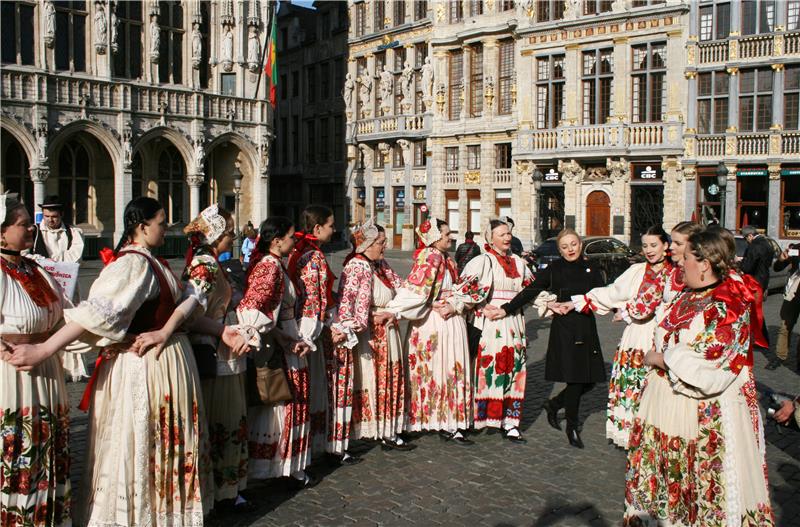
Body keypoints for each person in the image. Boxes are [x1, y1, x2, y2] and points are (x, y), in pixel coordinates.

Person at [6, 197, 244, 525]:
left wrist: (222, 331)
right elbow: (95, 314)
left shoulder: (154, 261)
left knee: (163, 442)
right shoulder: (132, 264)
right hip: (145, 367)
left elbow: (181, 315)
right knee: (143, 443)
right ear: (142, 226)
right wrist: (45, 350)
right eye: (161, 222)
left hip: (166, 364)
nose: (166, 228)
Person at [624, 230, 775, 526]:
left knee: (701, 493)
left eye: (687, 257)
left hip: (699, 414)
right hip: (663, 412)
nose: (679, 263)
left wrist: (661, 358)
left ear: (704, 263)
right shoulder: (687, 295)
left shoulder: (727, 306)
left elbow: (710, 369)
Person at [485, 228, 605, 449]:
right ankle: (572, 426)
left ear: (580, 243)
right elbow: (531, 291)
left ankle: (554, 404)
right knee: (576, 379)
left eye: (573, 244)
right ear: (559, 250)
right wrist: (506, 309)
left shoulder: (593, 267)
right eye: (564, 247)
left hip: (587, 327)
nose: (570, 250)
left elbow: (603, 294)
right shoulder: (555, 268)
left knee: (591, 379)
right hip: (566, 329)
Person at [0, 195, 78, 527]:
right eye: (22, 224)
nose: (31, 228)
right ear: (1, 232)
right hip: (12, 374)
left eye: (30, 222)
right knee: (16, 447)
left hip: (45, 370)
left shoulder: (35, 268)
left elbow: (67, 312)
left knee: (45, 447)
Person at [564, 226, 672, 449]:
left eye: (654, 245)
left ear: (666, 246)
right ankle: (631, 431)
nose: (649, 250)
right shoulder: (638, 271)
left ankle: (653, 434)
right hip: (637, 334)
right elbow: (612, 291)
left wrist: (627, 310)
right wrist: (580, 301)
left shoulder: (674, 273)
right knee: (633, 382)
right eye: (645, 246)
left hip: (661, 333)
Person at [238, 216, 316, 488]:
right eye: (292, 237)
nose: (295, 242)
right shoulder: (269, 267)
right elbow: (252, 307)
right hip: (279, 346)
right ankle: (276, 464)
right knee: (282, 400)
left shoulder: (275, 265)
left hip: (285, 338)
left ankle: (285, 463)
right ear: (277, 241)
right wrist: (269, 335)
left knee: (289, 400)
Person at [182, 205, 251, 511]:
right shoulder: (204, 265)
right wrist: (223, 331)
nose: (233, 237)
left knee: (231, 417)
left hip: (224, 349)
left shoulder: (214, 262)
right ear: (215, 235)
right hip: (212, 350)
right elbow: (192, 314)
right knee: (222, 416)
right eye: (229, 232)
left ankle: (227, 486)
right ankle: (220, 488)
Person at [329, 219, 414, 460]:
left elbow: (401, 285)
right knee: (376, 378)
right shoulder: (358, 266)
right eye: (379, 242)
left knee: (390, 375)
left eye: (384, 241)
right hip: (371, 333)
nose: (384, 246)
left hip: (387, 328)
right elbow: (347, 305)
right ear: (366, 244)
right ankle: (375, 428)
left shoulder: (379, 264)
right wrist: (366, 318)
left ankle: (389, 427)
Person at [385, 217, 473, 445]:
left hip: (447, 316)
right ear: (434, 238)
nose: (450, 237)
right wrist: (395, 310)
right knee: (434, 367)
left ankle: (443, 420)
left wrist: (454, 302)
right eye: (445, 234)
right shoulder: (431, 256)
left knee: (443, 368)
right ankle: (438, 421)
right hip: (433, 320)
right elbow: (416, 290)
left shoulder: (445, 258)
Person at [449, 219, 534, 442]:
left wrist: (553, 304)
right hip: (489, 324)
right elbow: (464, 291)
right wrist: (478, 305)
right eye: (502, 234)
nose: (507, 237)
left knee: (514, 368)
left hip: (513, 322)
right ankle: (469, 419)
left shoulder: (519, 262)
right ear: (490, 238)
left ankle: (510, 421)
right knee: (485, 368)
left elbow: (532, 290)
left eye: (509, 233)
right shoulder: (482, 262)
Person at [288, 205, 341, 457]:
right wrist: (314, 332)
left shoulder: (300, 250)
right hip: (306, 331)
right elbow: (314, 300)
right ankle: (312, 447)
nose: (334, 230)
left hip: (296, 327)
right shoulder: (313, 256)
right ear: (318, 228)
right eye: (331, 226)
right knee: (312, 388)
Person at [739, 224, 773, 348]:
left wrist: (741, 262)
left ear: (750, 236)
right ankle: (760, 337)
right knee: (755, 310)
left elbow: (747, 266)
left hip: (754, 281)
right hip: (763, 279)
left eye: (745, 238)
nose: (746, 241)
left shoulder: (754, 245)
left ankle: (760, 338)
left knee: (754, 310)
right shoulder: (767, 243)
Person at [768, 243, 800, 371]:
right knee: (785, 326)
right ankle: (780, 356)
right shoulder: (796, 249)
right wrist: (781, 259)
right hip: (794, 292)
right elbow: (777, 268)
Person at [29, 195, 85, 264]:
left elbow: (76, 256)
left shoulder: (74, 232)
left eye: (54, 216)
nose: (50, 220)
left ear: (62, 215)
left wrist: (55, 263)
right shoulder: (33, 232)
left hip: (65, 273)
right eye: (47, 216)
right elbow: (24, 255)